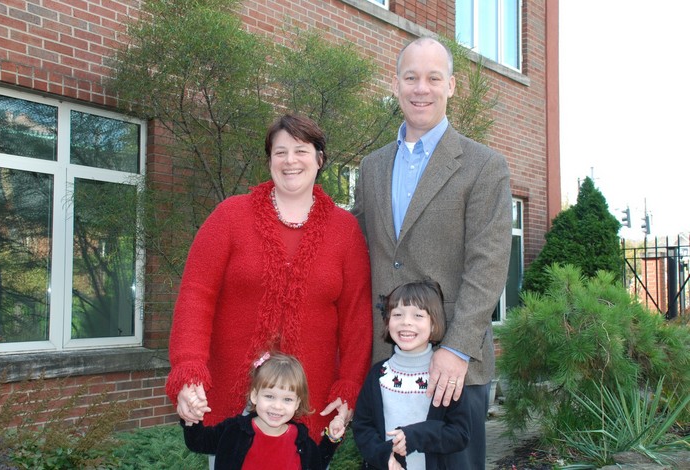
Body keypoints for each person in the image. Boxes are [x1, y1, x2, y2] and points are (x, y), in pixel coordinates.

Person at [166, 114, 373, 458]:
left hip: (310, 404)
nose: (290, 161)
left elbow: (357, 319)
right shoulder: (230, 216)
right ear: (269, 161)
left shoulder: (345, 231)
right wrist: (189, 372)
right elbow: (195, 297)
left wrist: (349, 386)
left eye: (301, 151)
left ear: (319, 159)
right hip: (232, 405)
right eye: (280, 152)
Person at [352, 36, 512, 469]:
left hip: (452, 368)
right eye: (411, 78)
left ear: (451, 86)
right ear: (396, 84)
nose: (421, 88)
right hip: (387, 363)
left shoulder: (484, 166)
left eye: (433, 78)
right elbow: (355, 249)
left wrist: (456, 349)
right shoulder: (372, 167)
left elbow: (488, 265)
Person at [353, 279, 471, 469]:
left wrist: (415, 436)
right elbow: (362, 427)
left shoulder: (445, 376)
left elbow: (459, 434)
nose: (406, 322)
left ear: (434, 325)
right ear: (388, 322)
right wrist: (384, 457)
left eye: (418, 315)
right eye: (397, 314)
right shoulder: (379, 374)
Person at [181, 352, 346, 470]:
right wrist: (192, 418)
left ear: (297, 404)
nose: (277, 406)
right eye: (269, 396)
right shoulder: (234, 430)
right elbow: (198, 442)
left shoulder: (301, 440)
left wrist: (331, 439)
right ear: (254, 396)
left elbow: (317, 464)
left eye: (287, 399)